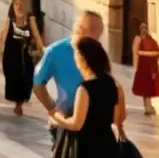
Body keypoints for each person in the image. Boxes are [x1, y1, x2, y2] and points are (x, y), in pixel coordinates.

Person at [34, 10, 105, 150]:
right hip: (66, 121)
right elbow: (38, 83)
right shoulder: (55, 51)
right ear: (82, 30)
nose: (98, 40)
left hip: (95, 122)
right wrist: (52, 109)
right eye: (96, 34)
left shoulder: (97, 51)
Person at [50, 37, 126, 158]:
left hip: (87, 149)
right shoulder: (114, 84)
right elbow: (118, 119)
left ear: (82, 59)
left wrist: (56, 117)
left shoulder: (85, 89)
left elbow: (76, 124)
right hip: (108, 147)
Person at [0, 0, 44, 115]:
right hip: (11, 54)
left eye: (21, 3)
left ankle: (20, 102)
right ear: (12, 6)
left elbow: (36, 34)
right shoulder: (10, 19)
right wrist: (0, 51)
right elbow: (4, 35)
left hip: (25, 54)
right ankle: (17, 104)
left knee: (26, 78)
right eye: (16, 4)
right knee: (13, 78)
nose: (19, 6)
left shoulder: (30, 18)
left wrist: (42, 49)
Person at [131, 22, 159, 116]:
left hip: (151, 66)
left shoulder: (152, 40)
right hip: (142, 66)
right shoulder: (138, 39)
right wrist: (136, 66)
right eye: (142, 28)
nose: (144, 30)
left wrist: (154, 54)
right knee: (144, 87)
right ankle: (147, 106)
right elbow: (136, 52)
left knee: (150, 86)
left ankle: (148, 106)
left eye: (145, 28)